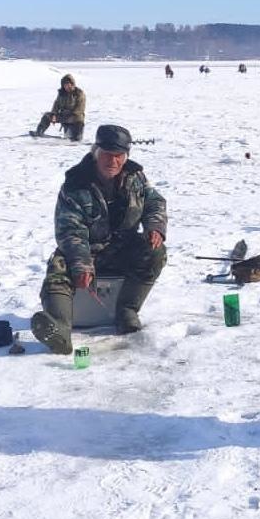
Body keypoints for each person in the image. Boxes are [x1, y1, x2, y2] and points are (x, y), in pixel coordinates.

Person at [31, 124, 168, 352]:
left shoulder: (136, 178)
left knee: (155, 251)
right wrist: (81, 264)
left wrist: (155, 226)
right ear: (96, 152)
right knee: (59, 267)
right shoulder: (75, 185)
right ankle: (59, 329)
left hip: (123, 247)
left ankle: (127, 312)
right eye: (107, 155)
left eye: (118, 156)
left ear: (125, 157)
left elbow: (155, 202)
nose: (112, 161)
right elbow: (70, 231)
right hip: (85, 250)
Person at [31, 73, 87, 140]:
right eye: (65, 85)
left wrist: (69, 114)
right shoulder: (61, 93)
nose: (66, 86)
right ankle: (39, 132)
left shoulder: (79, 93)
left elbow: (80, 109)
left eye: (68, 84)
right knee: (47, 116)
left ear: (72, 84)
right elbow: (56, 104)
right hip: (64, 116)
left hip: (76, 119)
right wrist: (54, 114)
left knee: (74, 140)